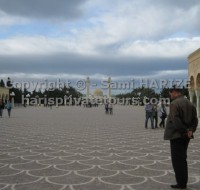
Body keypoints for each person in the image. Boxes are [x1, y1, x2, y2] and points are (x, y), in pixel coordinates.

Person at [164, 87, 198, 189]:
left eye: (170, 94)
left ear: (175, 93)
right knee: (183, 159)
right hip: (186, 136)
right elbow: (195, 120)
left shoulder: (175, 103)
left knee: (177, 161)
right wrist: (191, 130)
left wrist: (184, 131)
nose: (170, 96)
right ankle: (183, 182)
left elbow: (176, 121)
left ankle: (181, 184)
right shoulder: (189, 103)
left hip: (177, 135)